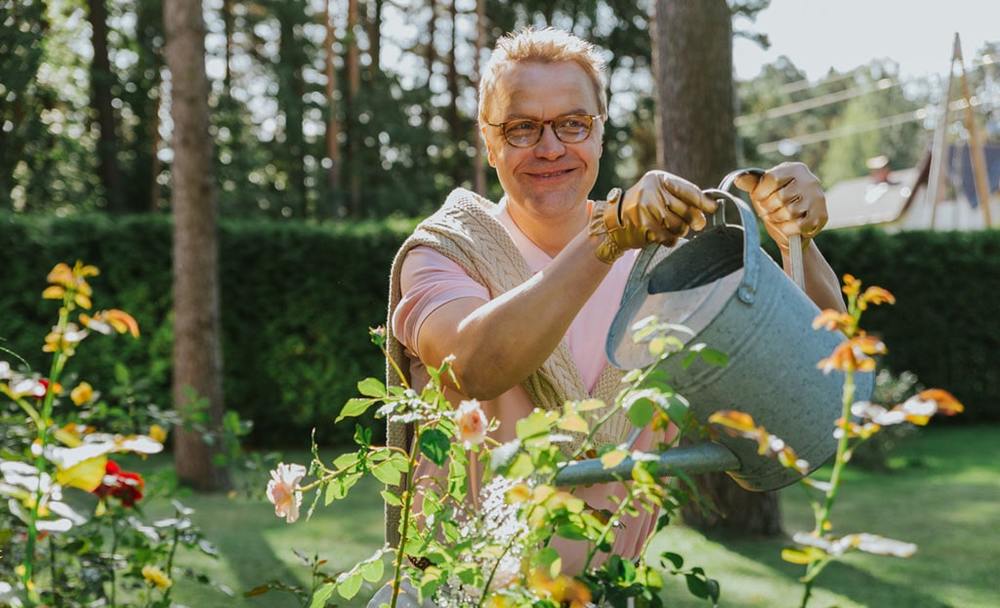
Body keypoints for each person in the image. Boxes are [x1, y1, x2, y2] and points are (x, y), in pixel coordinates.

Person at [374, 27, 845, 605]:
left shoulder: (666, 265)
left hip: (603, 594)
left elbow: (816, 381)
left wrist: (796, 239)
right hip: (454, 595)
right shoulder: (444, 253)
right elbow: (472, 366)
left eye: (573, 124)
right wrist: (607, 238)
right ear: (489, 142)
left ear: (600, 130)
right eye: (521, 128)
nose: (550, 148)